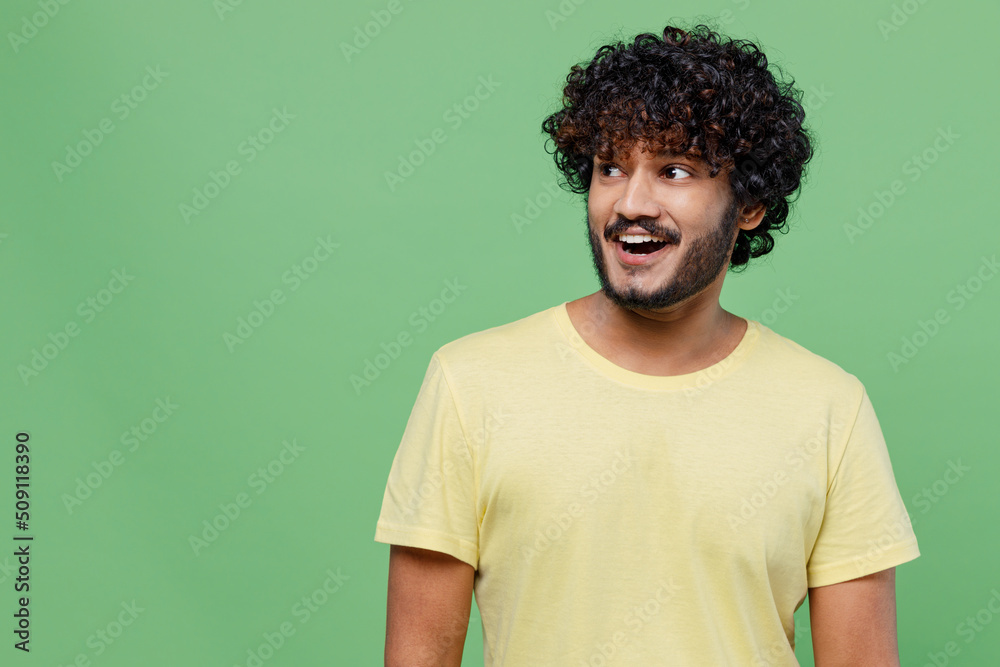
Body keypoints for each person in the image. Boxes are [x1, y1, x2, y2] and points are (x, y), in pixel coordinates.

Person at [374, 22, 919, 666]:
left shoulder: (830, 408)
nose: (631, 202)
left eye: (675, 170)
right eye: (611, 167)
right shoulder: (469, 383)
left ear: (749, 206)